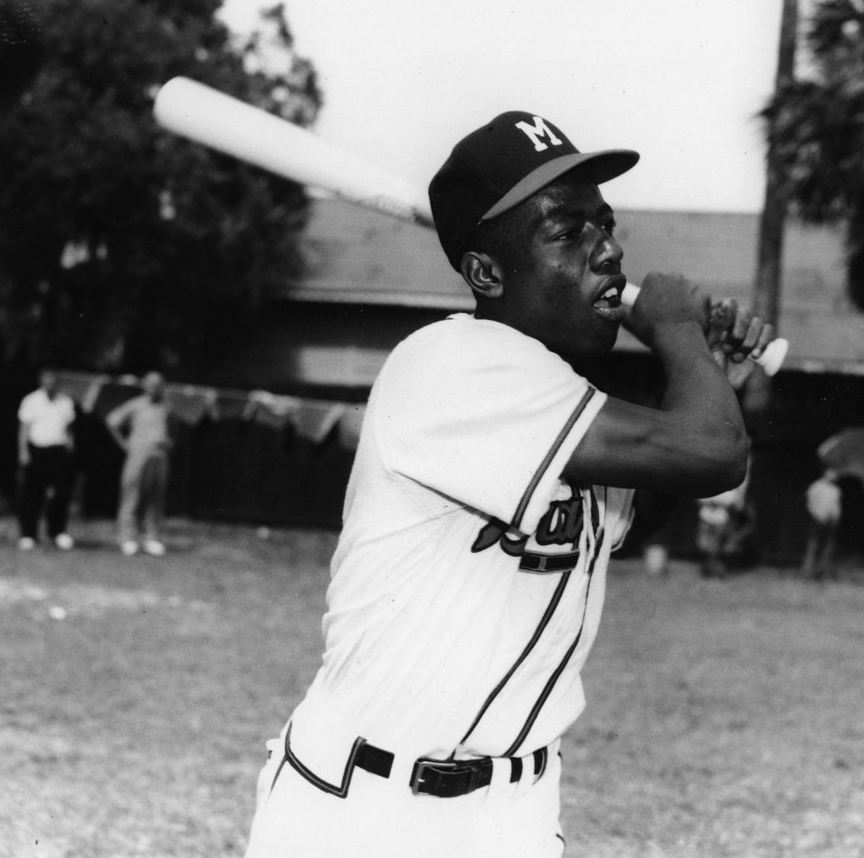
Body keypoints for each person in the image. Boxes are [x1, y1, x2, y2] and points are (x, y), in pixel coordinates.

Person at [240, 110, 775, 858]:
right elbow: (716, 454)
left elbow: (625, 526)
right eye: (567, 233)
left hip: (509, 813)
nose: (609, 250)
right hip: (363, 812)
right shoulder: (454, 363)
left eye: (605, 224)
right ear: (486, 274)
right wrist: (678, 333)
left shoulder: (560, 398)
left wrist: (713, 374)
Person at [105, 371, 172, 557]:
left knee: (156, 499)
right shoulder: (136, 404)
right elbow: (112, 421)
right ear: (144, 385)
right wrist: (124, 444)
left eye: (158, 384)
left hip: (159, 456)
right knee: (132, 495)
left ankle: (152, 538)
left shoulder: (166, 406)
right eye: (150, 383)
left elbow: (171, 430)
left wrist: (168, 441)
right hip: (138, 455)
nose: (154, 387)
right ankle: (128, 538)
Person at [16, 368, 77, 551]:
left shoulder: (65, 402)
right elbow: (24, 428)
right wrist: (23, 451)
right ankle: (28, 535)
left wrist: (70, 448)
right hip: (37, 451)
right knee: (32, 494)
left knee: (61, 494)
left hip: (59, 452)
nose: (50, 383)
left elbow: (69, 429)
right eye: (47, 379)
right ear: (41, 381)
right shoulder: (31, 400)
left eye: (53, 380)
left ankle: (57, 532)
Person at [696, 472, 755, 578]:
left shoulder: (727, 488)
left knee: (717, 545)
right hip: (706, 518)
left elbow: (731, 500)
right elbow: (701, 499)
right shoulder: (708, 485)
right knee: (704, 545)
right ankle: (708, 567)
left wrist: (714, 501)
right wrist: (714, 501)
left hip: (720, 519)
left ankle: (714, 568)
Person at [801, 468, 842, 579]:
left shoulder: (835, 490)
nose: (833, 475)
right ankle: (807, 572)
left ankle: (822, 572)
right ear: (825, 473)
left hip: (830, 522)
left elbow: (836, 506)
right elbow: (809, 501)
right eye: (831, 472)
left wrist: (836, 518)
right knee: (813, 546)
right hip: (817, 520)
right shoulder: (817, 486)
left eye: (835, 473)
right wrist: (816, 514)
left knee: (827, 548)